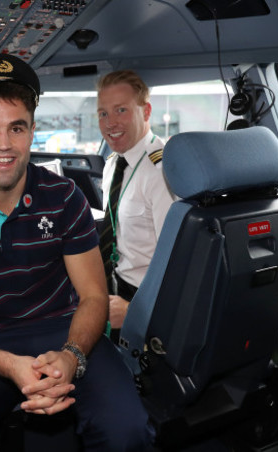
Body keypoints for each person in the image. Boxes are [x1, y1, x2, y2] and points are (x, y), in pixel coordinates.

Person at [0, 54, 152, 451]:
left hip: (63, 330)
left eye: (16, 128)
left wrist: (72, 357)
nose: (4, 145)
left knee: (128, 429)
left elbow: (93, 296)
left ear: (32, 132)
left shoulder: (64, 198)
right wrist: (9, 364)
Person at [96, 70, 176, 343]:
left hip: (146, 302)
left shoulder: (162, 172)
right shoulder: (112, 165)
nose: (110, 123)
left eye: (121, 110)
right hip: (114, 286)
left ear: (146, 111)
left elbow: (179, 265)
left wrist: (134, 311)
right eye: (103, 114)